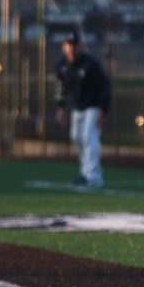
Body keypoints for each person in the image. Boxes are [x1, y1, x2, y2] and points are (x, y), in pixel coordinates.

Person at [55, 29, 111, 188]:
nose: (71, 48)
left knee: (89, 137)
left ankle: (94, 177)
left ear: (81, 46)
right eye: (68, 45)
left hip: (93, 106)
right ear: (63, 46)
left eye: (74, 45)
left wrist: (103, 109)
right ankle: (86, 172)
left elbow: (105, 87)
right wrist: (60, 110)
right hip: (77, 107)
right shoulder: (62, 65)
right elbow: (62, 89)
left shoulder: (90, 64)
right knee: (76, 138)